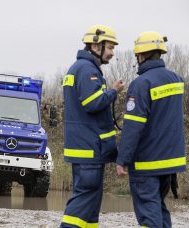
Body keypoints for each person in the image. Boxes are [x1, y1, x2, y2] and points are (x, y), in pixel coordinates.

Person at [116, 31, 186, 228]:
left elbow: (133, 126)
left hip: (147, 163)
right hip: (170, 162)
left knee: (148, 214)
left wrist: (122, 159)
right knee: (158, 208)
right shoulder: (177, 80)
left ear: (141, 55)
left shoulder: (141, 84)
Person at [61, 24, 124, 227]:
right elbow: (92, 103)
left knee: (91, 204)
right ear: (96, 46)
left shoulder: (81, 68)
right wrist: (113, 91)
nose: (112, 53)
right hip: (88, 148)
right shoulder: (87, 70)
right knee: (84, 199)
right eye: (110, 48)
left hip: (86, 148)